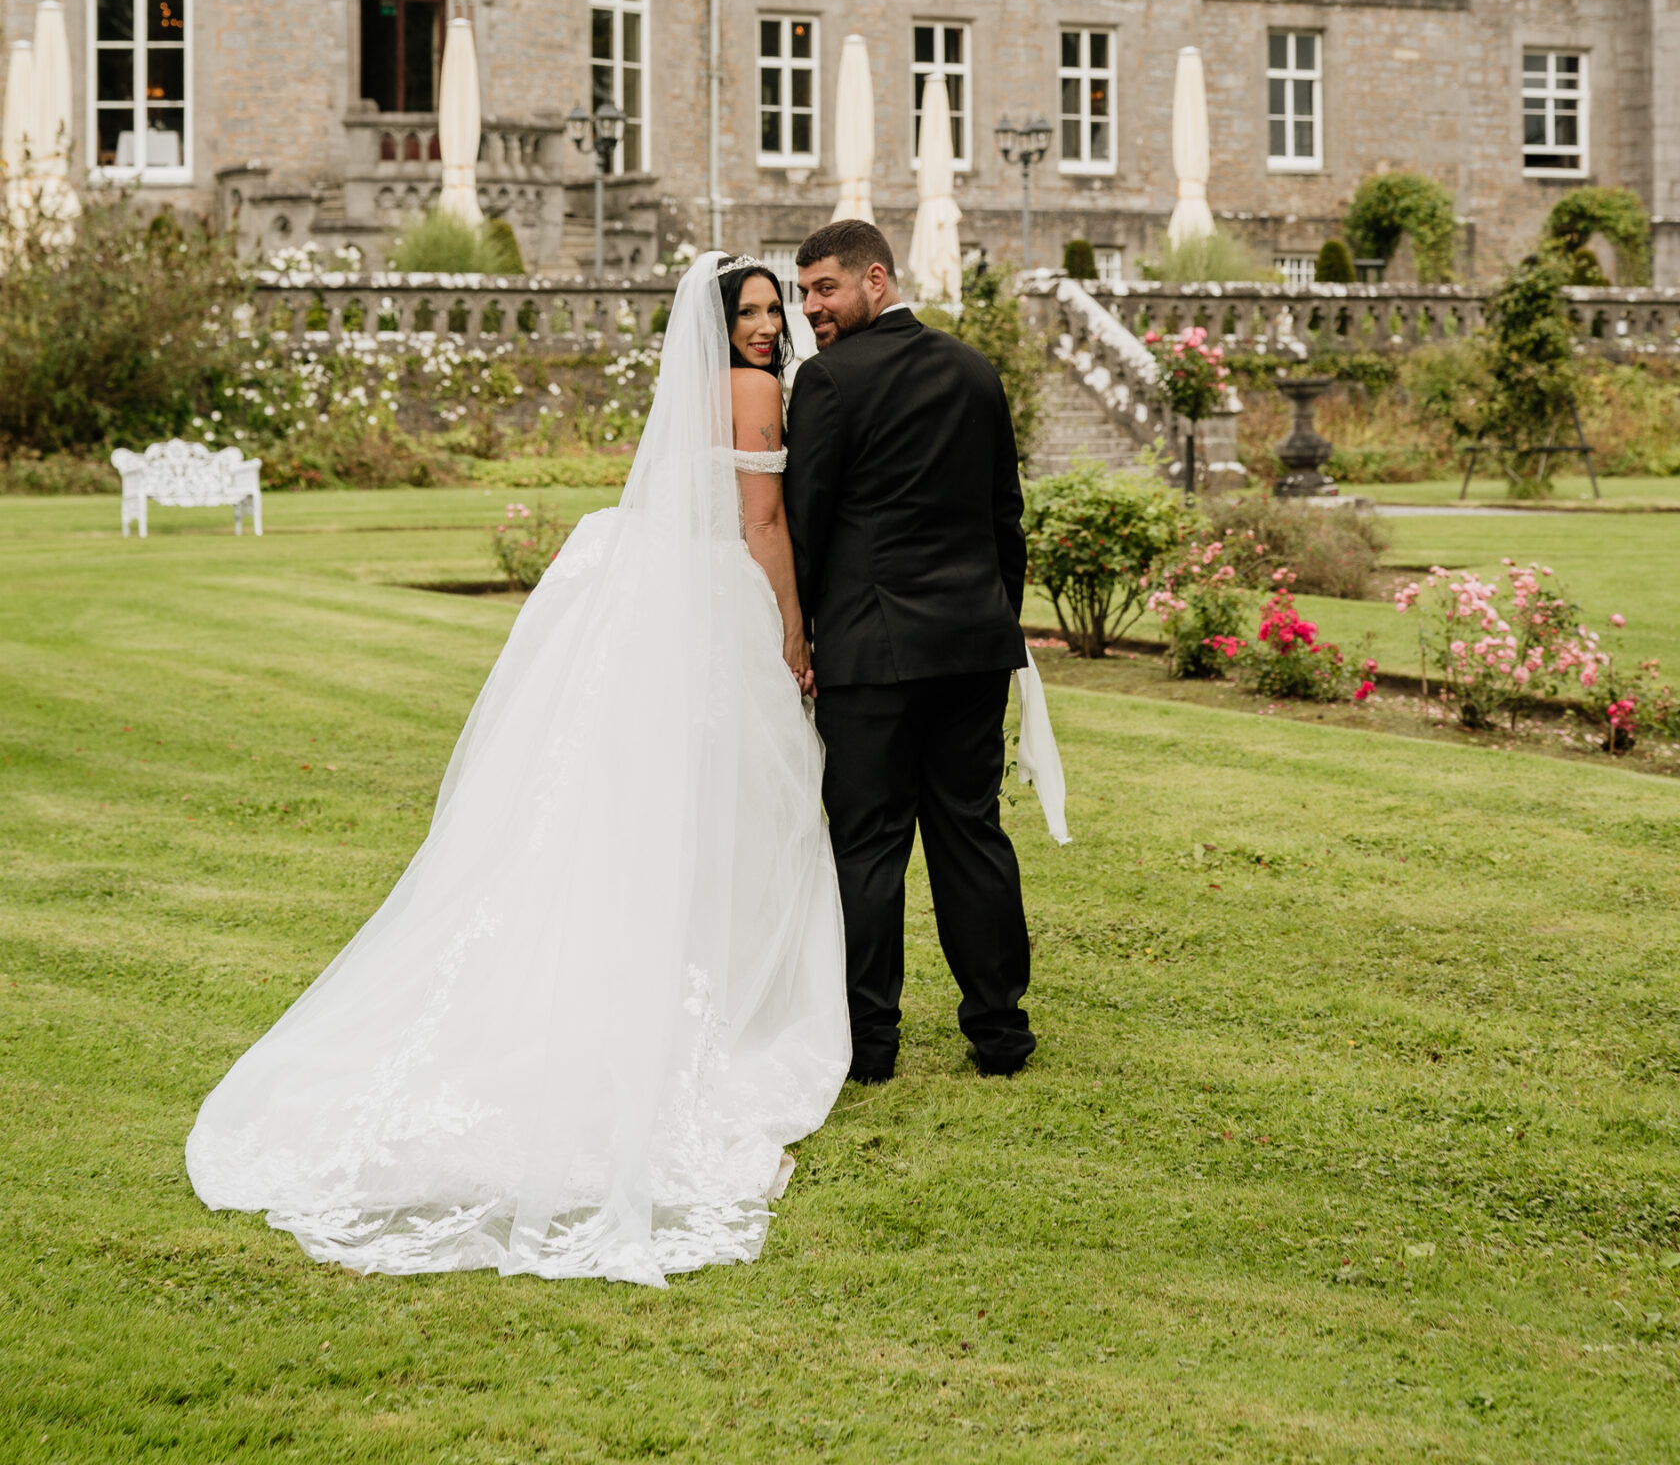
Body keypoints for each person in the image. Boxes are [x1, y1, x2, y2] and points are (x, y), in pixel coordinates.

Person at [185, 254, 849, 1286]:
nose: (767, 325)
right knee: (740, 804)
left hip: (658, 593)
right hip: (722, 601)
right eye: (751, 310)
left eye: (775, 310)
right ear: (716, 322)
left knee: (642, 803)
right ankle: (730, 997)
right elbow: (762, 526)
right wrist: (793, 637)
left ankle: (669, 968)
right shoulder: (758, 390)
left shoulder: (693, 390)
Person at [784, 218, 1044, 1084]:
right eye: (803, 290)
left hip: (871, 649)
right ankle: (999, 1034)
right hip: (973, 642)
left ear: (877, 281)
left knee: (869, 845)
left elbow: (806, 524)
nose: (810, 306)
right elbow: (1005, 519)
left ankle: (870, 1045)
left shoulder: (825, 383)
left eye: (826, 288)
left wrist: (808, 628)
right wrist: (993, 616)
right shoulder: (975, 370)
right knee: (971, 832)